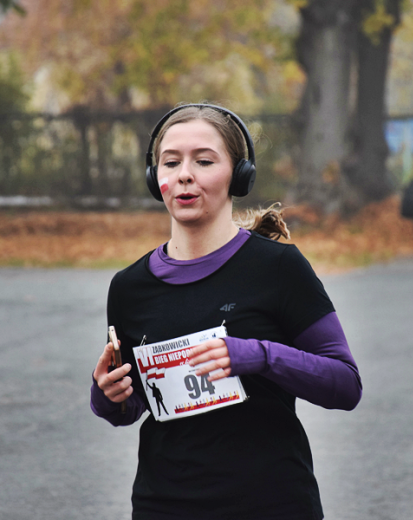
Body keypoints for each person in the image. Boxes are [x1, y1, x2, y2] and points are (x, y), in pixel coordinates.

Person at [90, 103, 362, 520]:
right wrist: (108, 396)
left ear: (239, 175)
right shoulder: (128, 288)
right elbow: (136, 404)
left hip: (272, 503)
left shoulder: (278, 268)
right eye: (171, 162)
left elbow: (345, 385)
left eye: (203, 160)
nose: (185, 174)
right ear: (154, 178)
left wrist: (257, 355)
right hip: (163, 505)